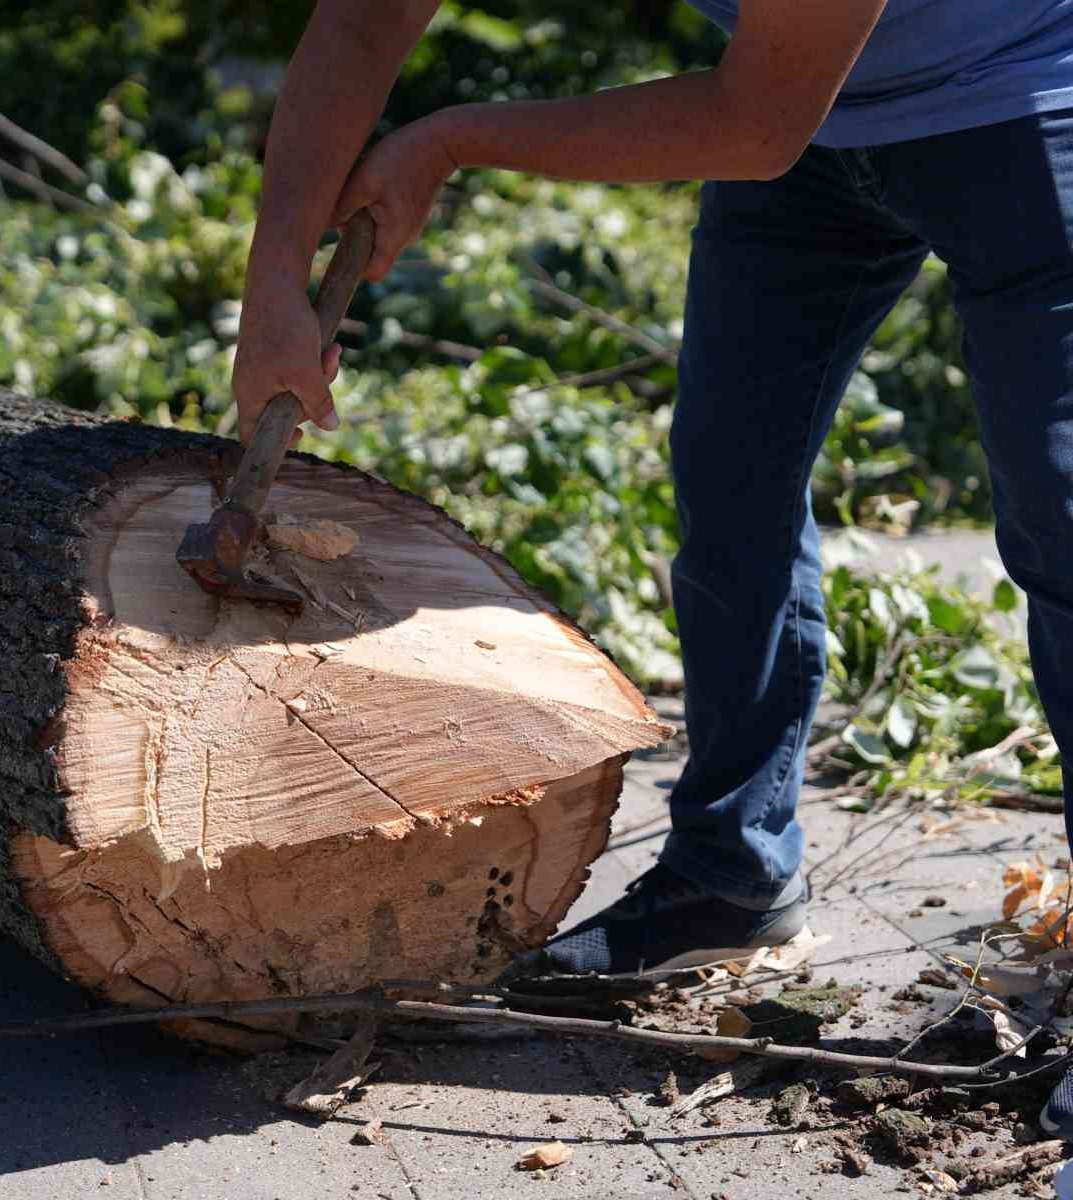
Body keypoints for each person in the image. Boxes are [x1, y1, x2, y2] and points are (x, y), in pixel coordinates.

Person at [233, 0, 1073, 1132]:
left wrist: (448, 137)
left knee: (1059, 514)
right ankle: (730, 871)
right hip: (809, 137)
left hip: (1021, 95)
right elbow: (357, 27)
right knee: (730, 474)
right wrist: (271, 286)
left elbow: (752, 119)